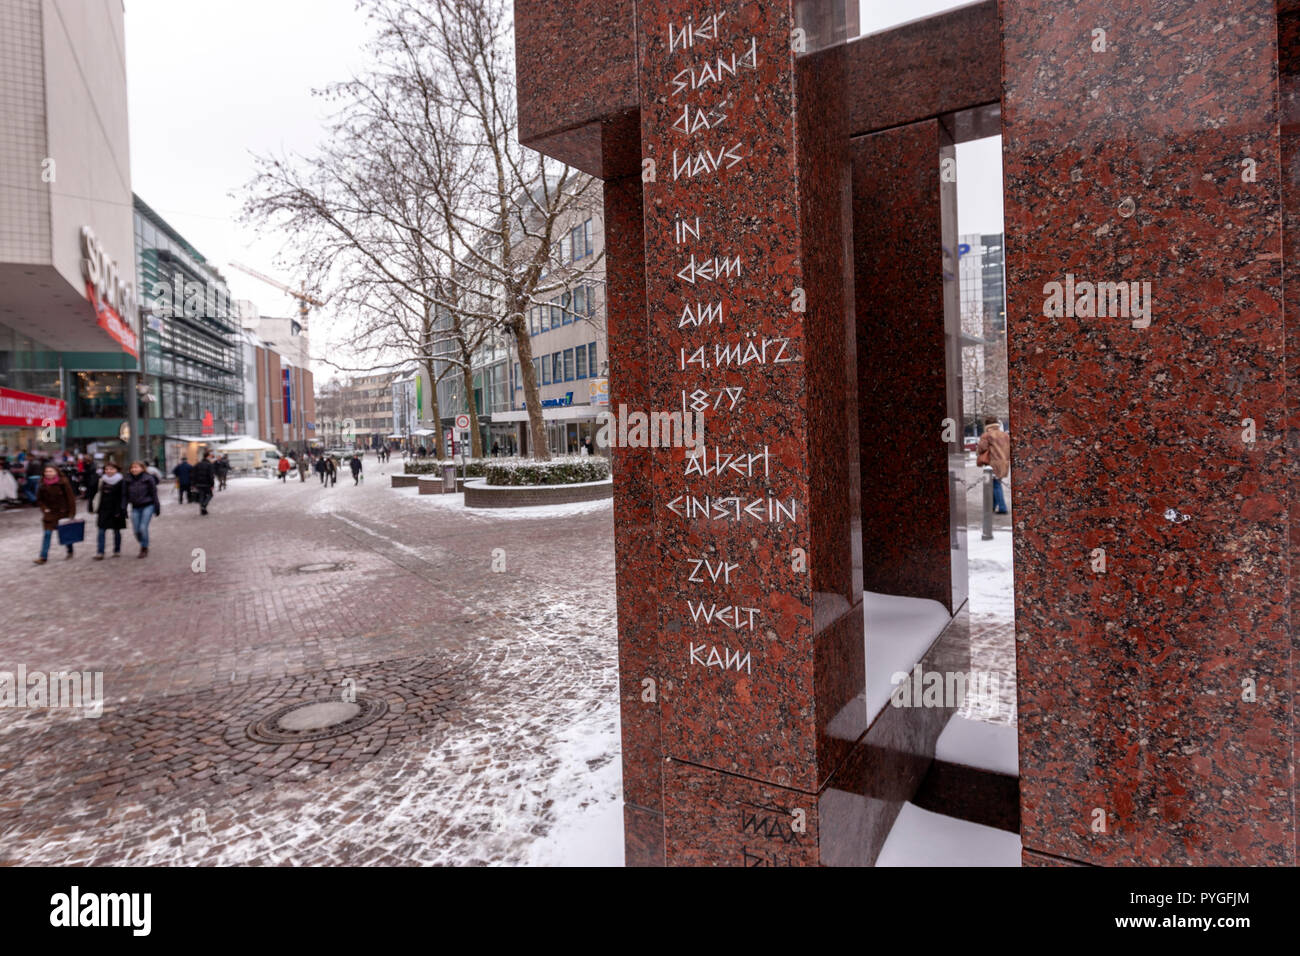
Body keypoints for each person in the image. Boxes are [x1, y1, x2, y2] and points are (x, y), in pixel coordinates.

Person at [34, 465, 77, 564]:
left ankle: (70, 550)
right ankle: (43, 557)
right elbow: (39, 500)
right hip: (50, 514)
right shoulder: (42, 484)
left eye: (51, 471)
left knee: (65, 534)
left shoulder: (63, 483)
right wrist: (45, 509)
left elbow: (70, 498)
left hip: (63, 513)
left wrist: (71, 513)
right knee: (47, 534)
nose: (48, 473)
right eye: (46, 471)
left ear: (56, 472)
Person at [91, 460, 127, 559]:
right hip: (103, 509)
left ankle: (117, 550)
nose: (109, 471)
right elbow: (93, 491)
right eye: (106, 469)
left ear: (117, 470)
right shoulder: (101, 480)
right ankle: (100, 552)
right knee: (101, 531)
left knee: (116, 531)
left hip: (116, 510)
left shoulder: (121, 481)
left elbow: (123, 496)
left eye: (111, 469)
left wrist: (121, 509)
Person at [124, 460, 160, 558]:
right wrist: (124, 508)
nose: (134, 469)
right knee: (136, 531)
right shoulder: (127, 480)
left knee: (143, 528)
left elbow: (154, 494)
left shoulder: (148, 478)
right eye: (132, 467)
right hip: (135, 507)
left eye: (136, 467)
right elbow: (125, 496)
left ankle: (144, 547)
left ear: (142, 468)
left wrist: (157, 507)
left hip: (148, 506)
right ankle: (144, 541)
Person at [976, 415, 1011, 515]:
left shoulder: (987, 435)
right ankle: (992, 506)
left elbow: (982, 448)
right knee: (995, 484)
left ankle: (1002, 507)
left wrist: (978, 448)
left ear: (987, 425)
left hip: (992, 463)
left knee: (995, 485)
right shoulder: (1004, 435)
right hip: (1003, 463)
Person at [192, 451, 216, 515]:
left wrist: (193, 484)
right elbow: (211, 476)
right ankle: (204, 505)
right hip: (207, 484)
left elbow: (193, 474)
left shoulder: (197, 464)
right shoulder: (209, 465)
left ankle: (203, 511)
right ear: (207, 456)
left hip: (198, 484)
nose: (211, 457)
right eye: (210, 456)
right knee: (210, 495)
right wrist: (212, 484)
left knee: (201, 496)